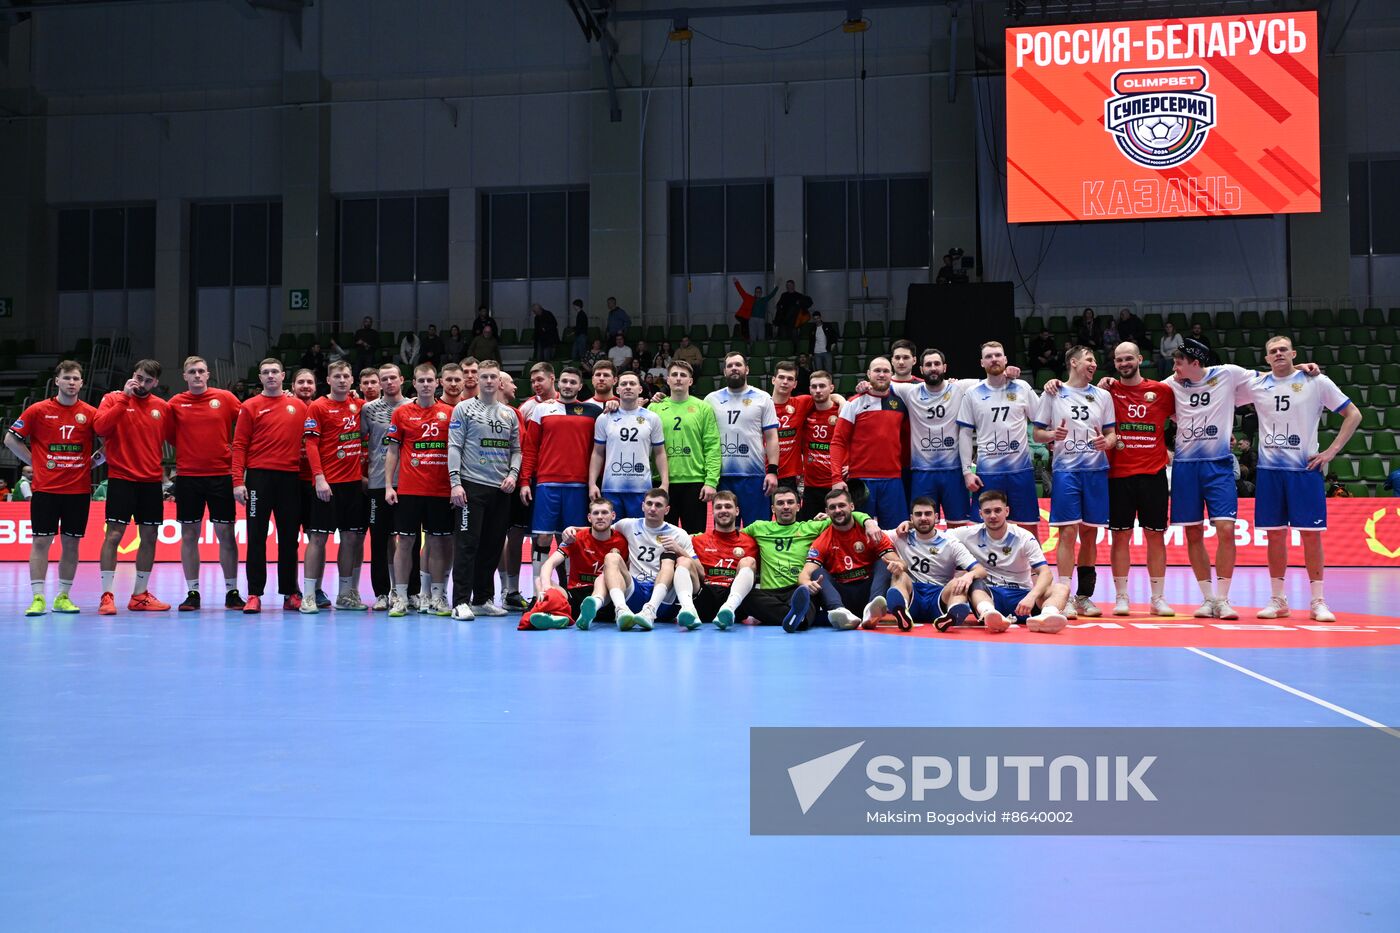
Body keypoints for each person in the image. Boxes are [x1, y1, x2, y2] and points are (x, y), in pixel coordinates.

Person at [1154, 337, 1314, 619]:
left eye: (1179, 362)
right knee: (1193, 532)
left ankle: (1224, 598)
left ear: (1195, 362)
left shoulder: (1227, 373)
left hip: (1218, 465)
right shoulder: (1170, 384)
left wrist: (1296, 368)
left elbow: (1269, 378)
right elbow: (1143, 393)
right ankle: (1208, 599)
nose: (1174, 366)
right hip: (1186, 467)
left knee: (1226, 529)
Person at [1244, 335, 1362, 623]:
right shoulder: (1256, 384)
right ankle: (1278, 599)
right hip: (1270, 472)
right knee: (1275, 535)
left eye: (1284, 349)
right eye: (1273, 351)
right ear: (1266, 359)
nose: (1279, 353)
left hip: (1304, 470)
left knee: (1311, 535)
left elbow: (1353, 414)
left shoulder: (1316, 381)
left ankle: (1318, 601)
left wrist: (1331, 452)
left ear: (1294, 353)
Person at [7, 361, 97, 616]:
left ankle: (63, 597)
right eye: (66, 377)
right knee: (41, 541)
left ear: (82, 383)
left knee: (71, 544)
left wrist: (93, 462)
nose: (71, 382)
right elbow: (10, 438)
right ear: (56, 381)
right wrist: (35, 461)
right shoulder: (38, 410)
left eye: (76, 378)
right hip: (46, 489)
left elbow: (111, 443)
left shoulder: (90, 413)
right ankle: (37, 598)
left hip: (78, 491)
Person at [1033, 346, 1117, 619]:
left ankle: (1084, 597)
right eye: (1089, 359)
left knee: (1090, 534)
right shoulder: (1053, 392)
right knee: (1068, 533)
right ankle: (1064, 596)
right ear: (1074, 362)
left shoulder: (1103, 395)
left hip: (1095, 471)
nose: (1094, 364)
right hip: (1067, 471)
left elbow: (1112, 434)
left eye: (1095, 360)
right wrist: (1052, 435)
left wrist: (1107, 442)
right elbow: (1037, 433)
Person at [1102, 341, 1176, 616]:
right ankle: (1122, 597)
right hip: (1118, 475)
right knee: (1120, 538)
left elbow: (1185, 415)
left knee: (1155, 538)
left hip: (1153, 474)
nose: (1124, 363)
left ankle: (1158, 598)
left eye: (1129, 358)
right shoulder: (1107, 391)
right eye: (1119, 360)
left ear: (1140, 359)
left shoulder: (1161, 391)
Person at [165, 356, 244, 611]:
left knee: (226, 535)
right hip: (188, 478)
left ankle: (232, 591)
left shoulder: (225, 398)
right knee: (189, 535)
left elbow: (246, 424)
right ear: (185, 377)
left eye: (201, 371)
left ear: (208, 374)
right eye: (192, 372)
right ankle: (193, 592)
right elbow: (169, 434)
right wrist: (192, 450)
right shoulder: (175, 403)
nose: (197, 375)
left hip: (221, 476)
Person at [94, 359, 172, 615]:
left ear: (156, 383)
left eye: (148, 380)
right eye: (139, 377)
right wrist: (124, 399)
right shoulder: (112, 398)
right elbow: (100, 427)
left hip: (150, 482)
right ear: (132, 375)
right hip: (121, 479)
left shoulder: (162, 407)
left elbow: (178, 436)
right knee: (114, 535)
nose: (142, 383)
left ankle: (139, 595)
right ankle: (107, 595)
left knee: (150, 536)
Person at [232, 359, 309, 613]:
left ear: (283, 375)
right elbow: (240, 445)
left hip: (289, 478)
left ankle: (290, 593)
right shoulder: (249, 406)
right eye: (265, 372)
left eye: (275, 371)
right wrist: (237, 481)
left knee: (289, 539)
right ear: (260, 377)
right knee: (256, 537)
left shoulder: (298, 406)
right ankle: (254, 594)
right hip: (258, 479)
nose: (270, 376)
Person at [447, 360, 522, 620]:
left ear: (499, 382)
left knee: (492, 546)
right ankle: (459, 602)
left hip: (501, 489)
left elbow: (517, 450)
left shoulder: (509, 413)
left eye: (493, 377)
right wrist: (455, 482)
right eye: (484, 377)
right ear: (477, 380)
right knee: (468, 545)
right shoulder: (463, 409)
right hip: (471, 486)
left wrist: (513, 475)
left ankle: (482, 599)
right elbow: (454, 447)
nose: (489, 381)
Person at [743, 487, 880, 626]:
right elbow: (733, 537)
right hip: (769, 593)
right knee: (746, 597)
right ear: (773, 508)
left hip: (799, 589)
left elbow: (847, 514)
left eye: (790, 502)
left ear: (798, 506)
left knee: (809, 597)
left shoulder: (812, 527)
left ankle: (788, 616)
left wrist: (868, 521)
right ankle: (798, 618)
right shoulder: (758, 527)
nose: (785, 507)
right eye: (780, 503)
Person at [521, 366, 604, 589]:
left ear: (579, 386)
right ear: (558, 383)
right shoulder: (542, 410)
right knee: (543, 539)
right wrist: (525, 481)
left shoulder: (593, 412)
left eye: (573, 382)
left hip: (578, 486)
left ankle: (572, 591)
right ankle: (539, 592)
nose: (568, 385)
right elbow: (530, 449)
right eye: (564, 381)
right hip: (547, 484)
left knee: (573, 538)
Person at [383, 363, 455, 617]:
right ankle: (401, 597)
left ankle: (436, 596)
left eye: (430, 380)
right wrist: (390, 485)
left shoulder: (450, 412)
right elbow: (392, 451)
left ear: (437, 383)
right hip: (410, 490)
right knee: (405, 543)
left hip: (440, 489)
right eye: (421, 380)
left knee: (436, 543)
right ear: (413, 383)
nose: (426, 384)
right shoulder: (402, 413)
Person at [887, 349, 987, 529]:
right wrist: (843, 396)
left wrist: (1008, 372)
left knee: (959, 528)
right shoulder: (910, 391)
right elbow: (879, 384)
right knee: (921, 526)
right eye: (928, 365)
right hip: (922, 473)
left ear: (945, 367)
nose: (933, 368)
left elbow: (992, 380)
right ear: (922, 369)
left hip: (954, 473)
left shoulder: (959, 387)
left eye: (937, 364)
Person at [782, 487, 902, 632]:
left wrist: (898, 566)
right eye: (832, 507)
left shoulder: (871, 531)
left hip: (869, 590)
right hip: (841, 595)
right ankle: (839, 612)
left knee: (885, 563)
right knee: (817, 572)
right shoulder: (823, 540)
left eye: (842, 505)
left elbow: (899, 562)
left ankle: (872, 609)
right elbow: (804, 574)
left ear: (851, 507)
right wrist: (807, 583)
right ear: (827, 512)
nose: (837, 510)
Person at [948, 490, 1070, 633]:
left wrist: (1032, 596)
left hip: (1022, 598)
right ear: (981, 514)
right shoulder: (968, 533)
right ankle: (989, 614)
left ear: (1007, 511)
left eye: (997, 510)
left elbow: (1045, 572)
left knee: (1062, 588)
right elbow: (936, 536)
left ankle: (1046, 617)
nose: (993, 516)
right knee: (973, 582)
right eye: (987, 512)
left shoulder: (1024, 536)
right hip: (989, 594)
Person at [300, 360, 369, 612]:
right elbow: (310, 445)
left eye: (346, 376)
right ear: (328, 380)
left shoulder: (359, 406)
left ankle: (345, 595)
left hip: (353, 485)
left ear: (352, 381)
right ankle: (308, 595)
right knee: (318, 538)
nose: (341, 380)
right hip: (327, 485)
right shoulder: (318, 407)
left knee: (350, 538)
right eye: (337, 376)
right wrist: (319, 478)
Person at [957, 341, 1041, 535]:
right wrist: (967, 471)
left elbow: (1041, 420)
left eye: (997, 355)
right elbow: (965, 433)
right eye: (988, 356)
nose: (993, 359)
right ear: (981, 363)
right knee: (985, 529)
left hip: (1020, 470)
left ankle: (1035, 567)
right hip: (988, 473)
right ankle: (988, 567)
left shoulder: (1022, 387)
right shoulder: (972, 392)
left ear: (1005, 359)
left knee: (1028, 528)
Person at [579, 487, 694, 630]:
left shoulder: (679, 534)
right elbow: (601, 527)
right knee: (611, 557)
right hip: (635, 592)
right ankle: (621, 610)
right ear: (642, 506)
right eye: (649, 504)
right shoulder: (628, 525)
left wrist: (678, 549)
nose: (652, 508)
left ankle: (651, 609)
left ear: (667, 510)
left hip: (663, 600)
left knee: (668, 559)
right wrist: (573, 529)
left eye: (658, 505)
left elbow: (699, 571)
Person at [361, 362, 419, 611]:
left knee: (410, 539)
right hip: (377, 483)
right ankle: (382, 593)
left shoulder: (413, 407)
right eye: (383, 379)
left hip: (409, 483)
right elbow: (359, 443)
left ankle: (412, 591)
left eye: (392, 378)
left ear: (402, 379)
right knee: (379, 540)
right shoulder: (368, 409)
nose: (388, 382)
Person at [882, 496, 985, 630]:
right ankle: (902, 610)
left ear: (936, 517)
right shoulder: (900, 535)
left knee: (959, 582)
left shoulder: (950, 542)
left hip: (939, 596)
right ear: (911, 518)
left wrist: (967, 576)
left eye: (928, 514)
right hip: (913, 593)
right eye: (918, 514)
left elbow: (980, 570)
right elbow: (876, 534)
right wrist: (868, 522)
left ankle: (952, 613)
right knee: (899, 574)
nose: (923, 518)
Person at [524, 496, 626, 630]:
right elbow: (549, 564)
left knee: (603, 579)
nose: (600, 517)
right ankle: (559, 616)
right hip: (576, 595)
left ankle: (558, 614)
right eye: (596, 513)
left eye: (604, 512)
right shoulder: (576, 537)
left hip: (605, 598)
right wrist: (547, 588)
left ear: (613, 516)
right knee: (540, 581)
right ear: (589, 518)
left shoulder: (622, 540)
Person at [830, 357, 909, 527]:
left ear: (892, 374)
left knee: (897, 534)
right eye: (877, 371)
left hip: (893, 480)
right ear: (868, 374)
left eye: (886, 371)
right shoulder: (854, 403)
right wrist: (836, 478)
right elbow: (838, 441)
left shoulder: (901, 403)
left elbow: (905, 441)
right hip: (861, 481)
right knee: (858, 534)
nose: (881, 374)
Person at [704, 352, 780, 527]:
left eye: (738, 365)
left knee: (759, 529)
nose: (734, 369)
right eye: (730, 366)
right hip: (721, 476)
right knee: (725, 529)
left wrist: (773, 470)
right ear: (724, 372)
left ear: (747, 369)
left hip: (754, 475)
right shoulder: (711, 399)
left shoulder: (763, 398)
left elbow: (771, 437)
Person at [670, 490, 758, 630]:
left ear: (737, 511)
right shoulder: (697, 540)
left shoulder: (751, 542)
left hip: (734, 599)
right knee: (683, 561)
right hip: (704, 597)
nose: (723, 510)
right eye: (718, 507)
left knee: (748, 561)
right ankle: (688, 609)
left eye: (728, 506)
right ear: (713, 512)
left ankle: (728, 609)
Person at [650, 360, 721, 532]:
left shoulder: (703, 408)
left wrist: (711, 481)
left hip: (694, 481)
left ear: (691, 381)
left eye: (683, 375)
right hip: (662, 483)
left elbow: (712, 446)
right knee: (662, 539)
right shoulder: (654, 408)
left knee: (694, 538)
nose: (678, 379)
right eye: (674, 375)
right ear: (667, 380)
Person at [590, 371, 667, 520]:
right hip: (611, 488)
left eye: (632, 384)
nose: (628, 387)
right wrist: (592, 484)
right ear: (617, 390)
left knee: (638, 536)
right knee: (612, 536)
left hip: (642, 489)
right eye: (624, 384)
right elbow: (597, 453)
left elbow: (660, 453)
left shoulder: (652, 418)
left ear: (640, 389)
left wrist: (664, 483)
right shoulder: (604, 417)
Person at [799, 370, 844, 520]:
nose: (818, 391)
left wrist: (852, 466)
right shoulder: (805, 412)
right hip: (811, 485)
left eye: (822, 386)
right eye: (814, 387)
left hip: (836, 483)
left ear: (831, 388)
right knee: (811, 529)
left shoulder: (842, 411)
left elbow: (854, 442)